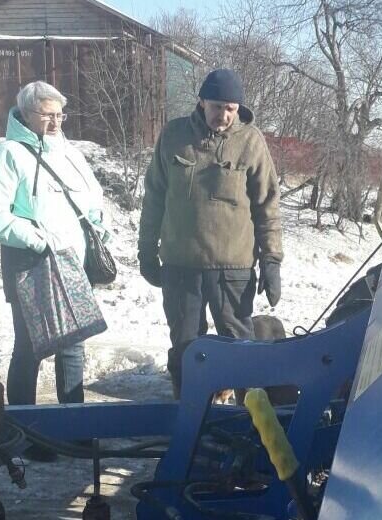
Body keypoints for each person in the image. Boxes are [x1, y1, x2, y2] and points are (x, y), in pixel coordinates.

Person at [0, 81, 107, 459]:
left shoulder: (69, 153)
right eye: (47, 114)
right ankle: (26, 433)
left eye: (59, 114)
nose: (55, 121)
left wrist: (99, 225)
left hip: (72, 264)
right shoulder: (8, 154)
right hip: (31, 264)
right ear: (26, 113)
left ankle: (73, 428)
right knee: (30, 348)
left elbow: (92, 198)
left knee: (73, 346)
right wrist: (34, 237)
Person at [137, 69, 283, 398]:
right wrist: (146, 250)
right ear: (202, 102)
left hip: (232, 270)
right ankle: (188, 423)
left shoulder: (250, 141)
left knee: (240, 349)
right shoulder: (174, 135)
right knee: (186, 348)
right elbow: (154, 198)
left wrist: (271, 260)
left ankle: (250, 423)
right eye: (217, 106)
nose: (224, 115)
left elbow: (267, 206)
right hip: (180, 267)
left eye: (231, 108)